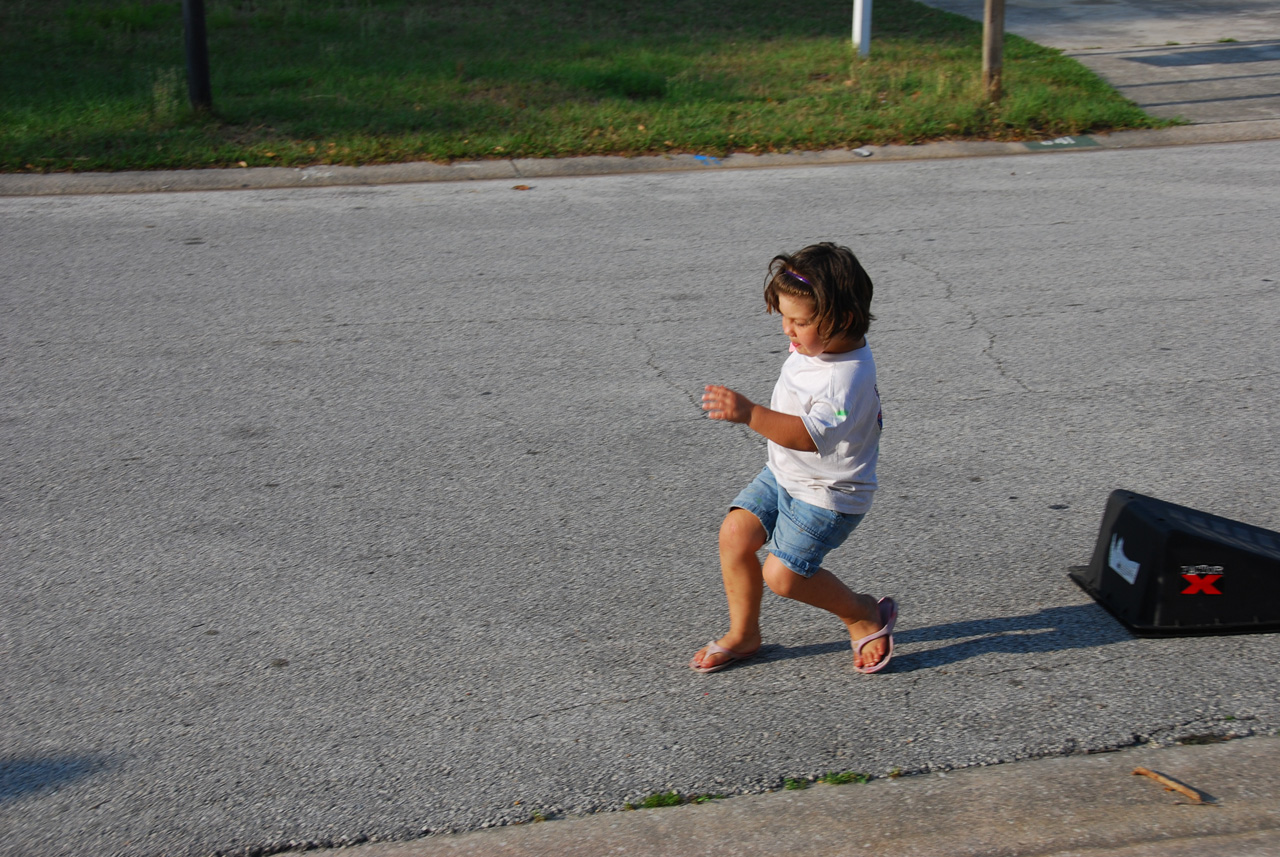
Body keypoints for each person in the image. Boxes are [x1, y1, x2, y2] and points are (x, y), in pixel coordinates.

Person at [690, 242, 896, 675]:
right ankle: (744, 634)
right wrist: (802, 326)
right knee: (735, 534)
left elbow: (805, 435)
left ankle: (861, 612)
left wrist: (749, 413)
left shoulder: (845, 381)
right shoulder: (818, 346)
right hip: (785, 474)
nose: (787, 329)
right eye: (784, 317)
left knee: (784, 576)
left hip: (829, 493)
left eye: (799, 321)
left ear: (842, 319)